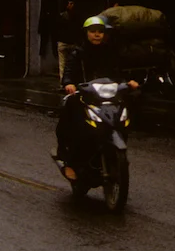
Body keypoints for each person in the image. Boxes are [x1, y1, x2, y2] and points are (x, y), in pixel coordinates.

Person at [55, 16, 139, 180]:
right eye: (93, 32)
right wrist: (69, 84)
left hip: (106, 96)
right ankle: (69, 160)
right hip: (84, 96)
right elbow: (69, 72)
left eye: (100, 32)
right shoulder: (77, 53)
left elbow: (118, 72)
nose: (96, 35)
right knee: (72, 115)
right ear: (86, 33)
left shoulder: (110, 51)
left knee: (127, 107)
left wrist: (128, 82)